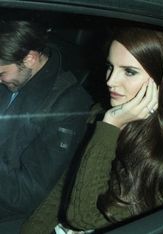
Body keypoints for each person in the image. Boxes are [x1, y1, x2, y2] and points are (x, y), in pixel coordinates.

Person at [21, 27, 163, 234]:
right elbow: (64, 187)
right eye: (110, 67)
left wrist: (111, 127)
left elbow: (82, 217)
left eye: (129, 71)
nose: (110, 80)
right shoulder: (100, 114)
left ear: (162, 80)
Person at [0, 20, 93, 233]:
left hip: (12, 211)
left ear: (30, 58)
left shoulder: (67, 105)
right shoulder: (14, 79)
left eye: (1, 74)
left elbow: (28, 195)